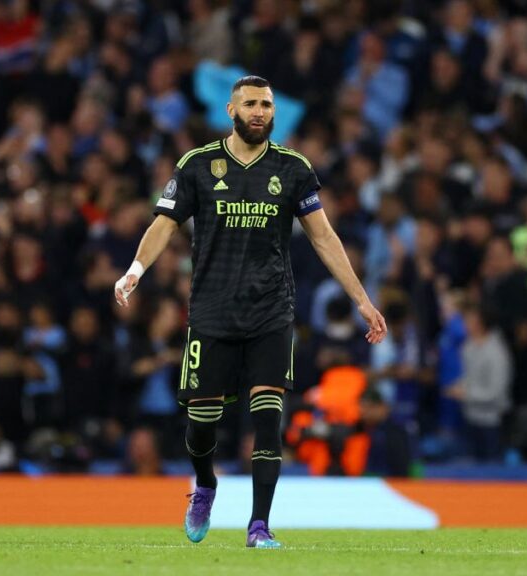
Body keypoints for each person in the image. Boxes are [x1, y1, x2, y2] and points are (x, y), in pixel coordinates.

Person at [114, 76, 387, 549]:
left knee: (268, 415)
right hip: (211, 312)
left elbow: (324, 237)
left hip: (271, 312)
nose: (260, 112)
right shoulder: (198, 166)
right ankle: (206, 485)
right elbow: (164, 224)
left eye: (266, 104)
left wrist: (362, 300)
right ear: (231, 110)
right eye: (251, 104)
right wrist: (136, 268)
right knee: (201, 426)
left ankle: (258, 526)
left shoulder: (293, 168)